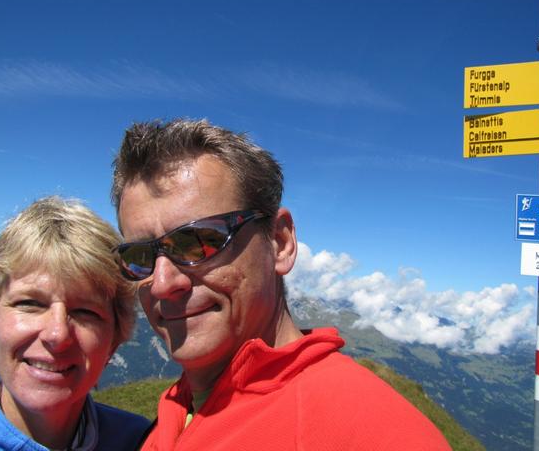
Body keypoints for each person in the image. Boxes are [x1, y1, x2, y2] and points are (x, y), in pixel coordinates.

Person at [111, 119, 451, 450]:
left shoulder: (377, 433)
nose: (162, 283)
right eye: (139, 256)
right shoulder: (172, 409)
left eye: (198, 241)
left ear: (279, 243)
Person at [0, 196, 150, 451]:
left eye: (85, 312)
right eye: (30, 303)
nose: (57, 334)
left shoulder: (143, 442)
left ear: (113, 343)